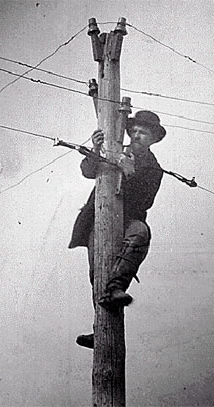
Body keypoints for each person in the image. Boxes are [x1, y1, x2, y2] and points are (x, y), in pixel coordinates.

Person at [68, 111, 166, 349]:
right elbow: (88, 170)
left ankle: (116, 288)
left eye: (143, 133)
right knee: (98, 271)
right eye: (134, 131)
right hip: (99, 218)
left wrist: (131, 172)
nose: (137, 136)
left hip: (128, 219)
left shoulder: (153, 168)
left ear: (153, 139)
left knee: (140, 234)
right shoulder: (115, 149)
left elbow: (146, 201)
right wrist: (96, 148)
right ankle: (100, 328)